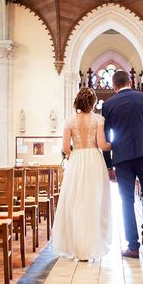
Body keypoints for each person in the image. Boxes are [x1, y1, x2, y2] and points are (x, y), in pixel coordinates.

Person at [102, 70, 143, 259]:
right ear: (131, 82)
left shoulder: (108, 104)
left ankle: (133, 246)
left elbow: (106, 138)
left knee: (127, 201)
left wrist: (109, 166)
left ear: (114, 86)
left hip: (122, 158)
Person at [51, 88, 112, 261]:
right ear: (93, 103)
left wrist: (74, 155)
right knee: (93, 202)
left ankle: (78, 247)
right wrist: (115, 144)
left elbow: (65, 148)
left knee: (75, 201)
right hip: (94, 159)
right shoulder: (98, 119)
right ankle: (90, 246)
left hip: (76, 160)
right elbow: (102, 145)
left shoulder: (69, 121)